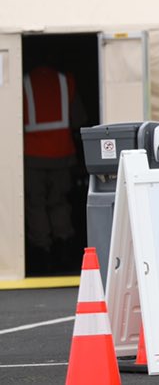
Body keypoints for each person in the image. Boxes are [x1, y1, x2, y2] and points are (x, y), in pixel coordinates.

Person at [22, 62, 86, 275]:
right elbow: (79, 120)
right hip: (62, 155)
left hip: (32, 157)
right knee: (59, 203)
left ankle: (43, 255)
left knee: (36, 205)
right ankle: (64, 250)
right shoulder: (66, 81)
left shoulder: (23, 83)